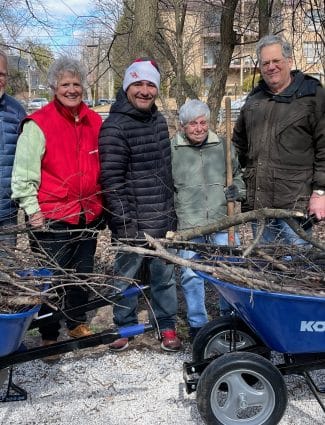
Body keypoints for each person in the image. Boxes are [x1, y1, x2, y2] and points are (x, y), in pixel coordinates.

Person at [11, 56, 104, 347]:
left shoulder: (95, 121)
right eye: (65, 84)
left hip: (87, 213)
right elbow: (24, 173)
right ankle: (49, 334)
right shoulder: (39, 124)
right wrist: (32, 208)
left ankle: (76, 323)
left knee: (81, 273)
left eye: (77, 84)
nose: (72, 89)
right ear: (54, 86)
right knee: (51, 278)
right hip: (51, 216)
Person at [99, 58, 181, 352]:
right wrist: (124, 225)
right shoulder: (114, 127)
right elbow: (112, 181)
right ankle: (125, 327)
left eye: (150, 84)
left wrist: (171, 215)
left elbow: (165, 172)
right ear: (127, 87)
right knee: (125, 279)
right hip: (130, 223)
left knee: (164, 278)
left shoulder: (158, 121)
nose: (145, 91)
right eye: (138, 84)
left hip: (161, 219)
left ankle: (166, 326)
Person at [233, 34, 325, 244]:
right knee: (265, 265)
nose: (271, 67)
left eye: (276, 61)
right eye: (266, 63)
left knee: (297, 268)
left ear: (289, 61)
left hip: (295, 204)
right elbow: (238, 146)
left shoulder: (311, 96)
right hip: (260, 204)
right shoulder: (254, 100)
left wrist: (320, 192)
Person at [171, 100, 246, 340]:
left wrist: (238, 190)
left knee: (226, 271)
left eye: (203, 122)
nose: (199, 128)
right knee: (191, 275)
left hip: (222, 219)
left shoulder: (222, 146)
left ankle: (229, 319)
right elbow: (167, 187)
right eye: (193, 123)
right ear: (183, 126)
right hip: (190, 223)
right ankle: (197, 324)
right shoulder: (173, 149)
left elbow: (239, 176)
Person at [0, 50, 26, 256]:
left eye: (1, 74)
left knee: (8, 270)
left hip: (7, 212)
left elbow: (28, 159)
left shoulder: (16, 110)